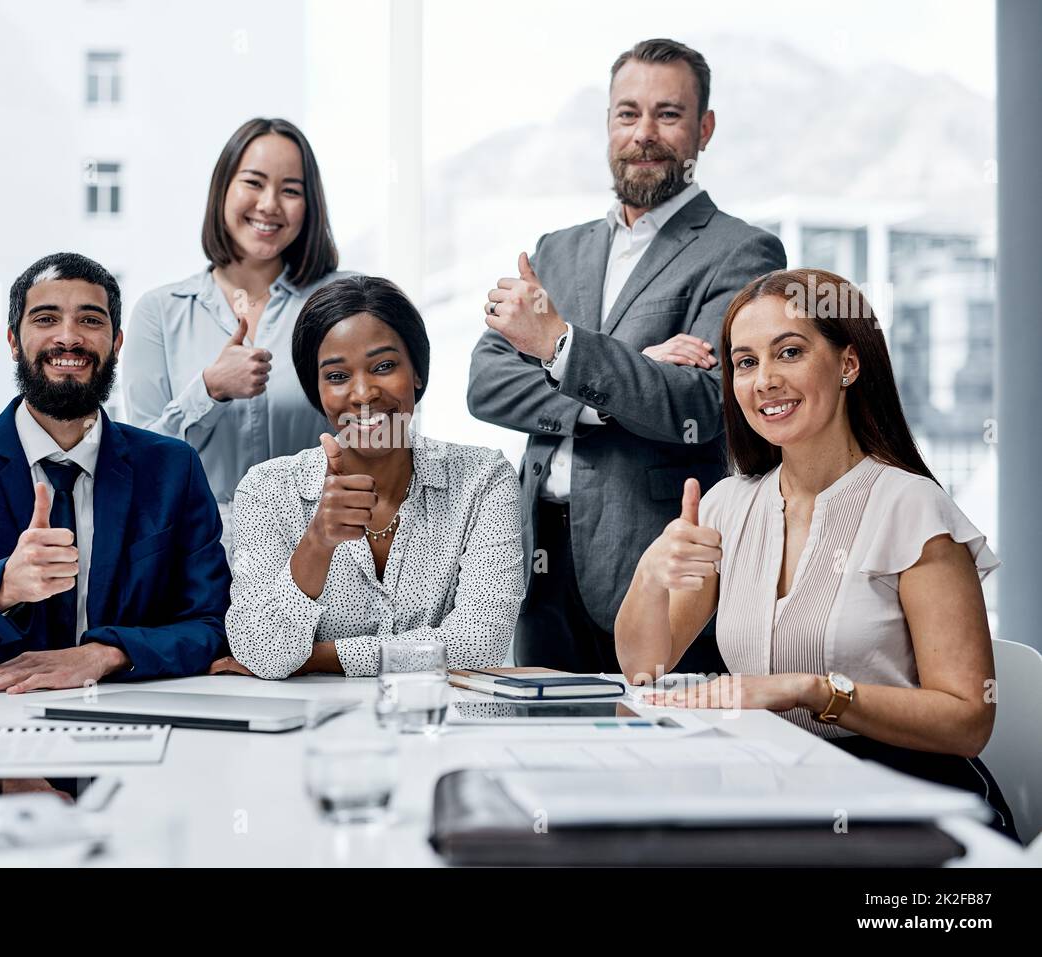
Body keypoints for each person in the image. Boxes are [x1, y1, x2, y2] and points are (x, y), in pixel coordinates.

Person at [616, 268, 1017, 839]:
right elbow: (644, 669)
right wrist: (650, 575)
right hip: (776, 791)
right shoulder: (728, 504)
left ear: (848, 365)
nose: (765, 381)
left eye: (790, 352)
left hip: (909, 803)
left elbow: (968, 721)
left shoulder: (913, 509)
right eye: (746, 362)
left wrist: (814, 691)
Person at [0, 252, 231, 800]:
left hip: (137, 763)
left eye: (91, 320)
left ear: (116, 343)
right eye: (46, 318)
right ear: (13, 340)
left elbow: (211, 625)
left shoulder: (171, 468)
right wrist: (2, 587)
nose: (69, 337)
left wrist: (105, 653)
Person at [467, 38, 785, 675]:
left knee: (662, 758)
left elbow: (702, 402)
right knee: (547, 752)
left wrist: (559, 347)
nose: (645, 133)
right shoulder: (556, 251)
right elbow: (487, 383)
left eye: (668, 114)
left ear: (705, 129)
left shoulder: (742, 253)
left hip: (657, 559)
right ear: (608, 124)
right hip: (538, 557)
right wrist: (627, 374)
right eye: (627, 113)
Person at [213, 276, 524, 679]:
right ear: (318, 390)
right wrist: (318, 542)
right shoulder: (268, 490)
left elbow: (480, 645)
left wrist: (318, 657)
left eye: (384, 366)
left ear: (416, 372)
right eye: (338, 376)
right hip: (309, 733)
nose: (363, 394)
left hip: (439, 729)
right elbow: (263, 653)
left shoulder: (483, 480)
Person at [124, 117, 349, 552]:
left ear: (311, 204)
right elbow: (137, 466)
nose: (269, 205)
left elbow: (388, 437)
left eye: (291, 190)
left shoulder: (344, 303)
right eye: (253, 182)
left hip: (323, 560)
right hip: (195, 568)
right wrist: (207, 390)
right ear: (223, 188)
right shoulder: (160, 312)